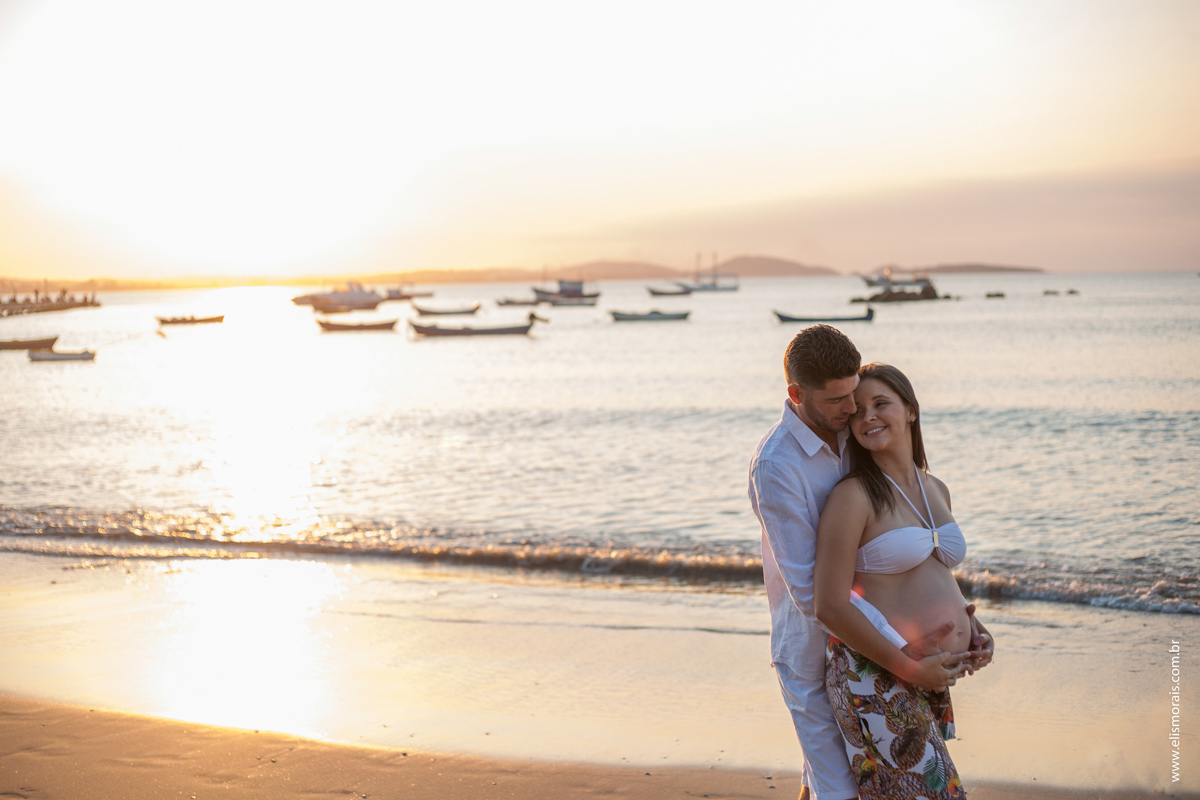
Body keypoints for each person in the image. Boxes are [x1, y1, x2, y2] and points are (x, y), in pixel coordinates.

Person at [749, 327, 992, 800]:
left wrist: (964, 622)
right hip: (822, 652)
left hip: (892, 654)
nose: (854, 410)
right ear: (796, 395)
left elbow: (910, 567)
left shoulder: (856, 446)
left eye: (859, 398)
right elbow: (814, 598)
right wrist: (907, 654)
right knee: (838, 788)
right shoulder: (780, 466)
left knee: (836, 786)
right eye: (843, 401)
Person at [814, 363, 993, 799]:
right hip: (875, 673)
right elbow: (829, 605)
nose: (868, 417)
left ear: (911, 410)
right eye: (857, 411)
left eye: (881, 404)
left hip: (924, 672)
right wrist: (910, 668)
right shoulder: (853, 496)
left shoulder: (936, 489)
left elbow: (932, 573)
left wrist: (973, 627)